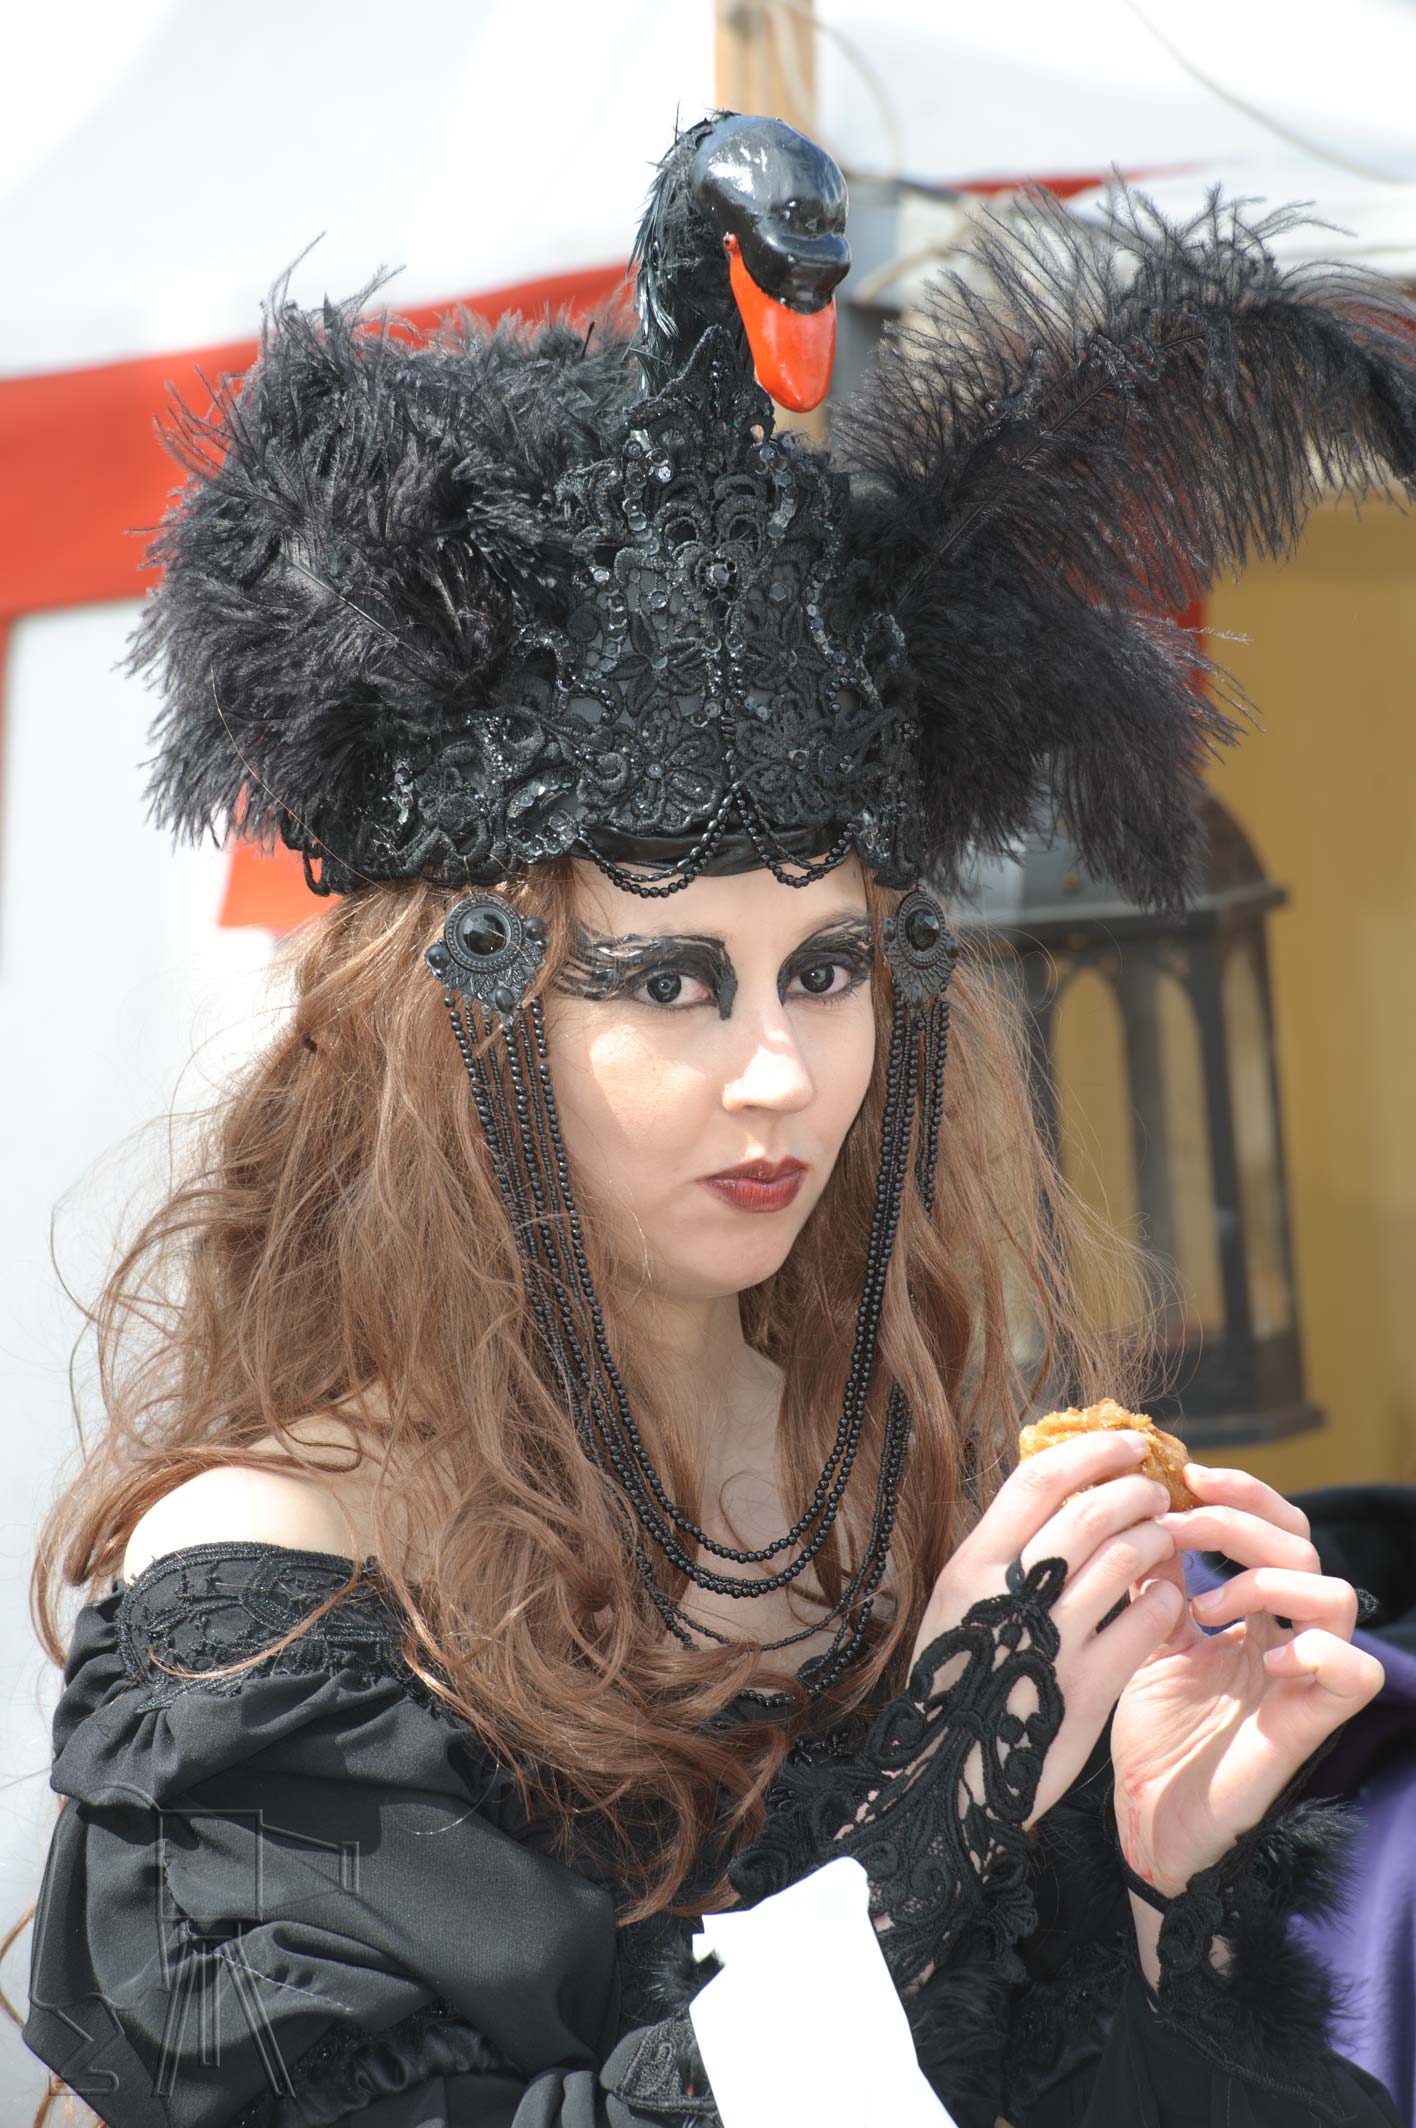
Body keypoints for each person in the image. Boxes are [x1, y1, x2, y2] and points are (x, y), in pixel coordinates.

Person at [21, 110, 1416, 2128]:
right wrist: (921, 1860)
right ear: (466, 1024)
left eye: (828, 969)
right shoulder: (278, 1592)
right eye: (671, 981)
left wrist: (1140, 1884)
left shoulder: (907, 1479)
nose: (780, 1071)